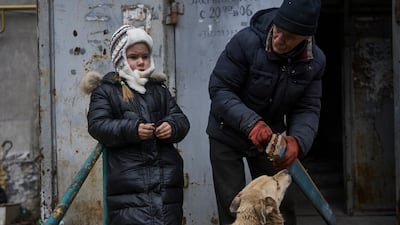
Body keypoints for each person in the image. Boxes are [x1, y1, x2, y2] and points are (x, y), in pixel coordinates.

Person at [206, 0, 326, 224]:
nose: (279, 40)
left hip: (270, 140)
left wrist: (298, 142)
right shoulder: (246, 41)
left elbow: (307, 108)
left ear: (306, 38)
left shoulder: (314, 62)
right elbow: (219, 88)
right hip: (226, 132)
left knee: (280, 206)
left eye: (289, 37)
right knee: (234, 207)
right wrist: (251, 122)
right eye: (278, 31)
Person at [80, 25, 190, 225]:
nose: (141, 61)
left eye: (145, 56)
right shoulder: (106, 91)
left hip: (165, 185)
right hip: (130, 185)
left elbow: (181, 120)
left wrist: (171, 126)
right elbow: (98, 125)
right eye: (133, 56)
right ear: (120, 58)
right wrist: (132, 129)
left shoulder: (158, 89)